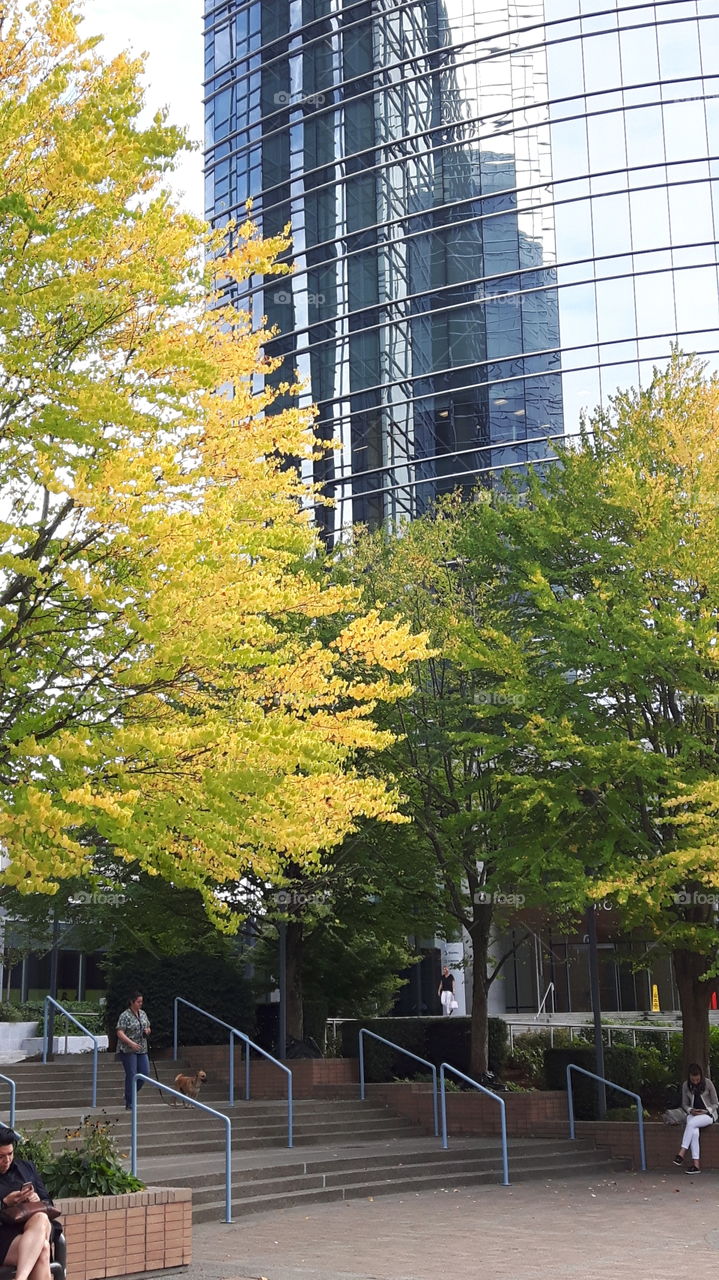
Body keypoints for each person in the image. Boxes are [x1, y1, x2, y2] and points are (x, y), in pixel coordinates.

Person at [0, 1125, 55, 1280]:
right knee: (42, 1250)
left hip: (34, 1228)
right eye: (1, 1157)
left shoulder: (26, 1167)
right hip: (5, 1235)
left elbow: (48, 1202)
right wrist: (4, 1202)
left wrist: (37, 1199)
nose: (7, 1160)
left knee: (41, 1217)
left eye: (10, 1154)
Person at [672, 1063, 718, 1173]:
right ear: (689, 1077)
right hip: (692, 1114)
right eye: (693, 1080)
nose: (695, 1082)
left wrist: (706, 1111)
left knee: (691, 1124)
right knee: (694, 1132)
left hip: (707, 1115)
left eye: (697, 1079)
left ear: (701, 1076)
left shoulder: (708, 1083)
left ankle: (681, 1153)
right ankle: (696, 1166)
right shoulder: (685, 1085)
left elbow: (715, 1103)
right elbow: (684, 1104)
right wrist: (691, 1110)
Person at [116, 990, 151, 1110]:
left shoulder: (143, 1013)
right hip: (128, 1049)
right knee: (131, 1074)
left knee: (144, 1073)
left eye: (141, 1001)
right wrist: (131, 1043)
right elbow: (120, 1032)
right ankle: (129, 1101)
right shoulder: (125, 1015)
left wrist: (147, 1031)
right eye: (138, 1001)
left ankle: (130, 1093)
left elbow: (148, 1026)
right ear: (132, 1002)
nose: (140, 1004)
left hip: (142, 1048)